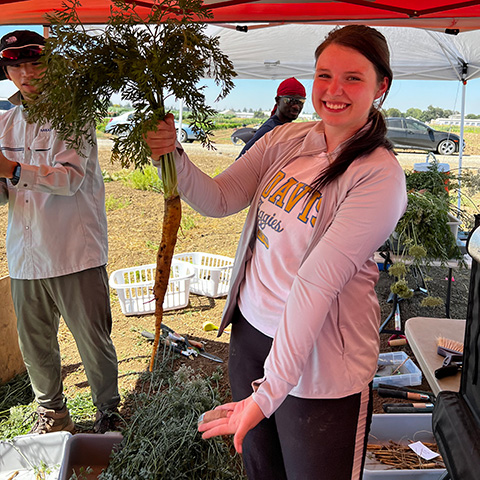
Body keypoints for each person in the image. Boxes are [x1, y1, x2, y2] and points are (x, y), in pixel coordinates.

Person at [146, 25, 407, 480]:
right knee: (261, 469)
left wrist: (267, 395)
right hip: (252, 333)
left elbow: (316, 282)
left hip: (321, 359)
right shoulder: (287, 139)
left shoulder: (378, 176)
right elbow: (221, 198)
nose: (333, 90)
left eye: (353, 78)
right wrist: (174, 156)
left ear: (381, 86)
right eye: (324, 75)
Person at [0, 30, 120, 434]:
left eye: (35, 63)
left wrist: (12, 170)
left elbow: (69, 179)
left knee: (92, 340)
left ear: (51, 66)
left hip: (74, 250)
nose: (26, 73)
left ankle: (108, 410)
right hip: (25, 253)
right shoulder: (5, 122)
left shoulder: (74, 114)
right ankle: (52, 414)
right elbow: (5, 195)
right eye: (16, 65)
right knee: (34, 347)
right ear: (7, 70)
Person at [236, 77, 306, 159]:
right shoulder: (270, 129)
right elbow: (241, 160)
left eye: (301, 101)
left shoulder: (283, 127)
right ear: (278, 100)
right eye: (290, 100)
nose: (296, 106)